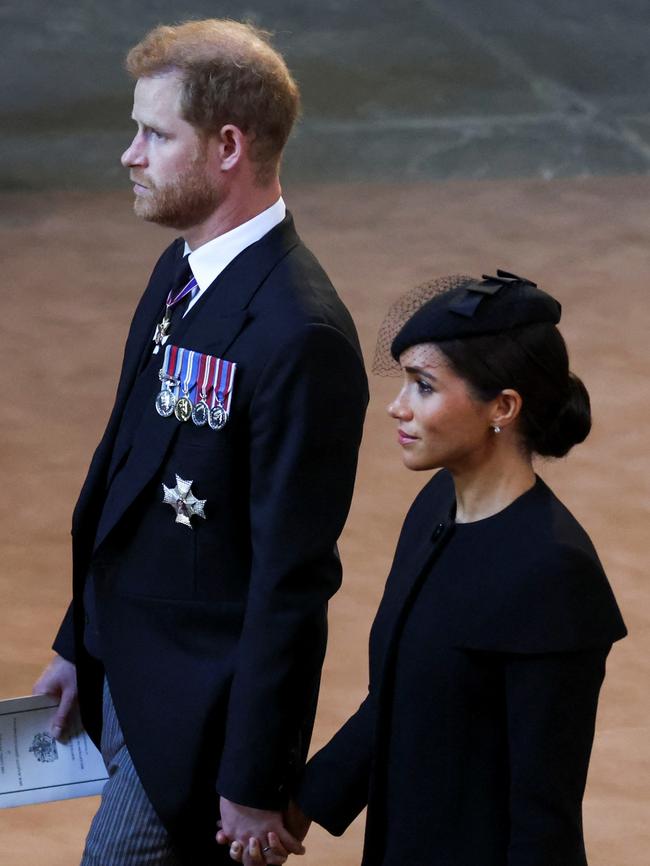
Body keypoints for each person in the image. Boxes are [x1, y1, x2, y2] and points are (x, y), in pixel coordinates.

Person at [31, 19, 368, 866]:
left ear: (227, 146)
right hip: (121, 669)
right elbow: (130, 478)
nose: (128, 155)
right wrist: (81, 641)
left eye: (154, 133)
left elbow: (293, 582)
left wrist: (257, 776)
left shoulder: (300, 335)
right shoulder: (182, 271)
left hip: (194, 719)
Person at [289, 271, 627, 866]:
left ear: (503, 407)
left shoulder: (555, 573)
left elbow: (542, 813)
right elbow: (396, 700)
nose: (397, 407)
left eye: (423, 387)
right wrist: (301, 807)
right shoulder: (434, 510)